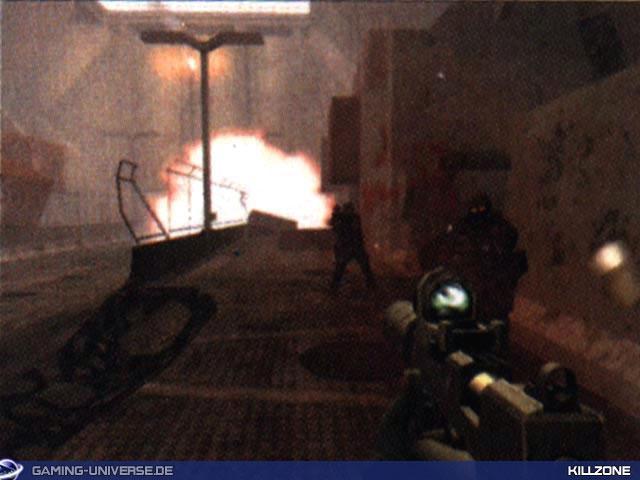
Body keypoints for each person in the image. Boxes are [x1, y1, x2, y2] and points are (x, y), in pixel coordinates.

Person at [329, 202, 376, 292]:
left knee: (364, 267)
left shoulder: (351, 218)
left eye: (349, 210)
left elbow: (335, 227)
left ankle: (371, 285)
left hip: (353, 247)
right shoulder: (347, 218)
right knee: (341, 268)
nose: (349, 212)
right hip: (350, 247)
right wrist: (335, 214)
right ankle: (334, 287)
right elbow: (334, 226)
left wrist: (336, 214)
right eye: (348, 210)